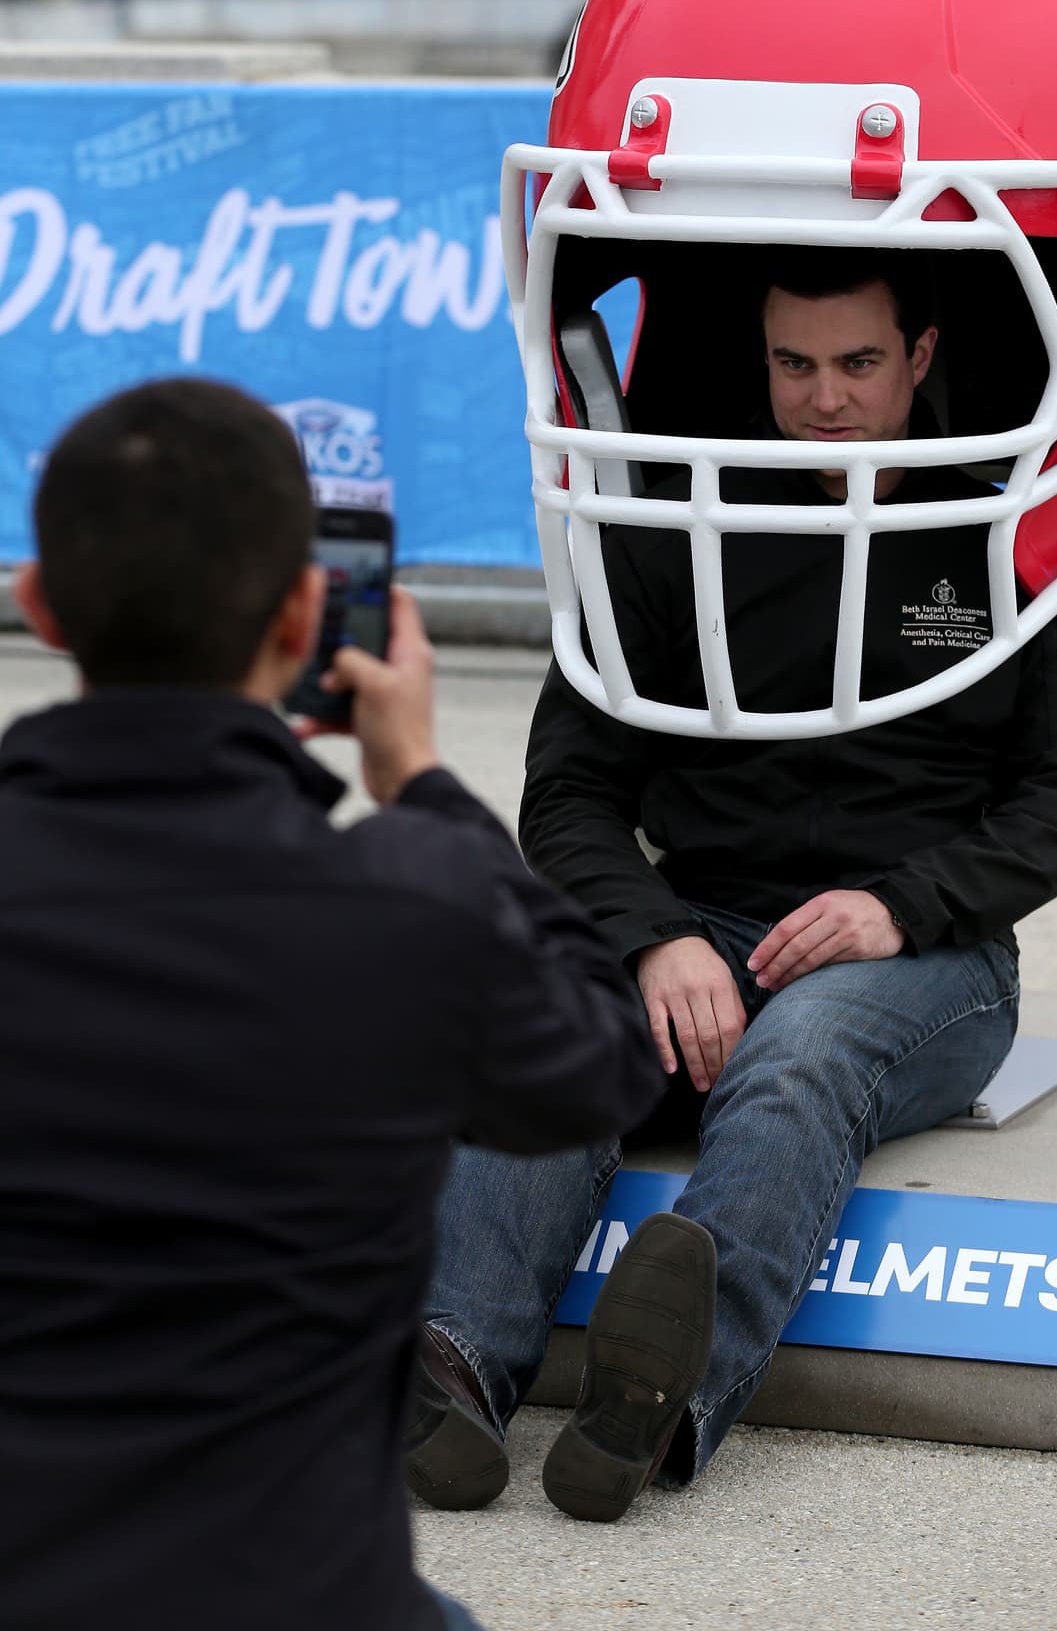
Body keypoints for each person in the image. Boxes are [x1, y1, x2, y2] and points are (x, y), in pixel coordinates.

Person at [406, 250, 1057, 1522]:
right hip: (704, 910)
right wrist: (649, 937)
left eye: (855, 364)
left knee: (801, 1054)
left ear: (918, 356)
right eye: (794, 363)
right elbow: (567, 795)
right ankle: (449, 1367)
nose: (823, 397)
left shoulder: (1009, 538)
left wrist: (899, 904)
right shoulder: (680, 526)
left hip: (921, 952)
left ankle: (660, 1399)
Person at [0, 377, 663, 1631]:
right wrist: (423, 787)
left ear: (37, 607)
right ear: (308, 613)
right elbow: (602, 1064)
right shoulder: (407, 902)